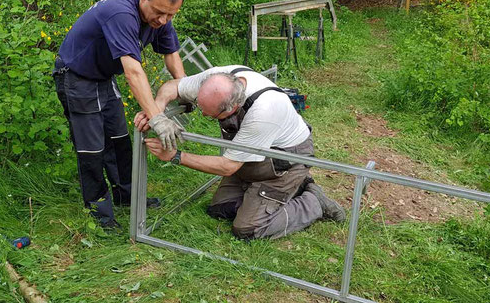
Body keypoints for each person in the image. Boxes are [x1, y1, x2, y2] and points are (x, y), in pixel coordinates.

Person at [136, 65, 346, 240]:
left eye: (209, 115)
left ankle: (313, 202)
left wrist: (175, 156)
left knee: (247, 229)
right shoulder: (215, 81)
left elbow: (228, 166)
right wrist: (157, 112)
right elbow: (172, 87)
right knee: (219, 209)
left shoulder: (263, 112)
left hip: (283, 161)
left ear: (232, 107)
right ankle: (270, 192)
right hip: (252, 158)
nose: (203, 114)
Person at [53, 0, 187, 229]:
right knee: (92, 148)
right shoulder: (121, 13)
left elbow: (172, 57)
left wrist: (186, 90)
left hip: (103, 77)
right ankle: (98, 213)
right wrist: (157, 117)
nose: (163, 20)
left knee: (119, 140)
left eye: (171, 15)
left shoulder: (161, 18)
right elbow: (133, 71)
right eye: (159, 12)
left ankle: (128, 196)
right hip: (77, 76)